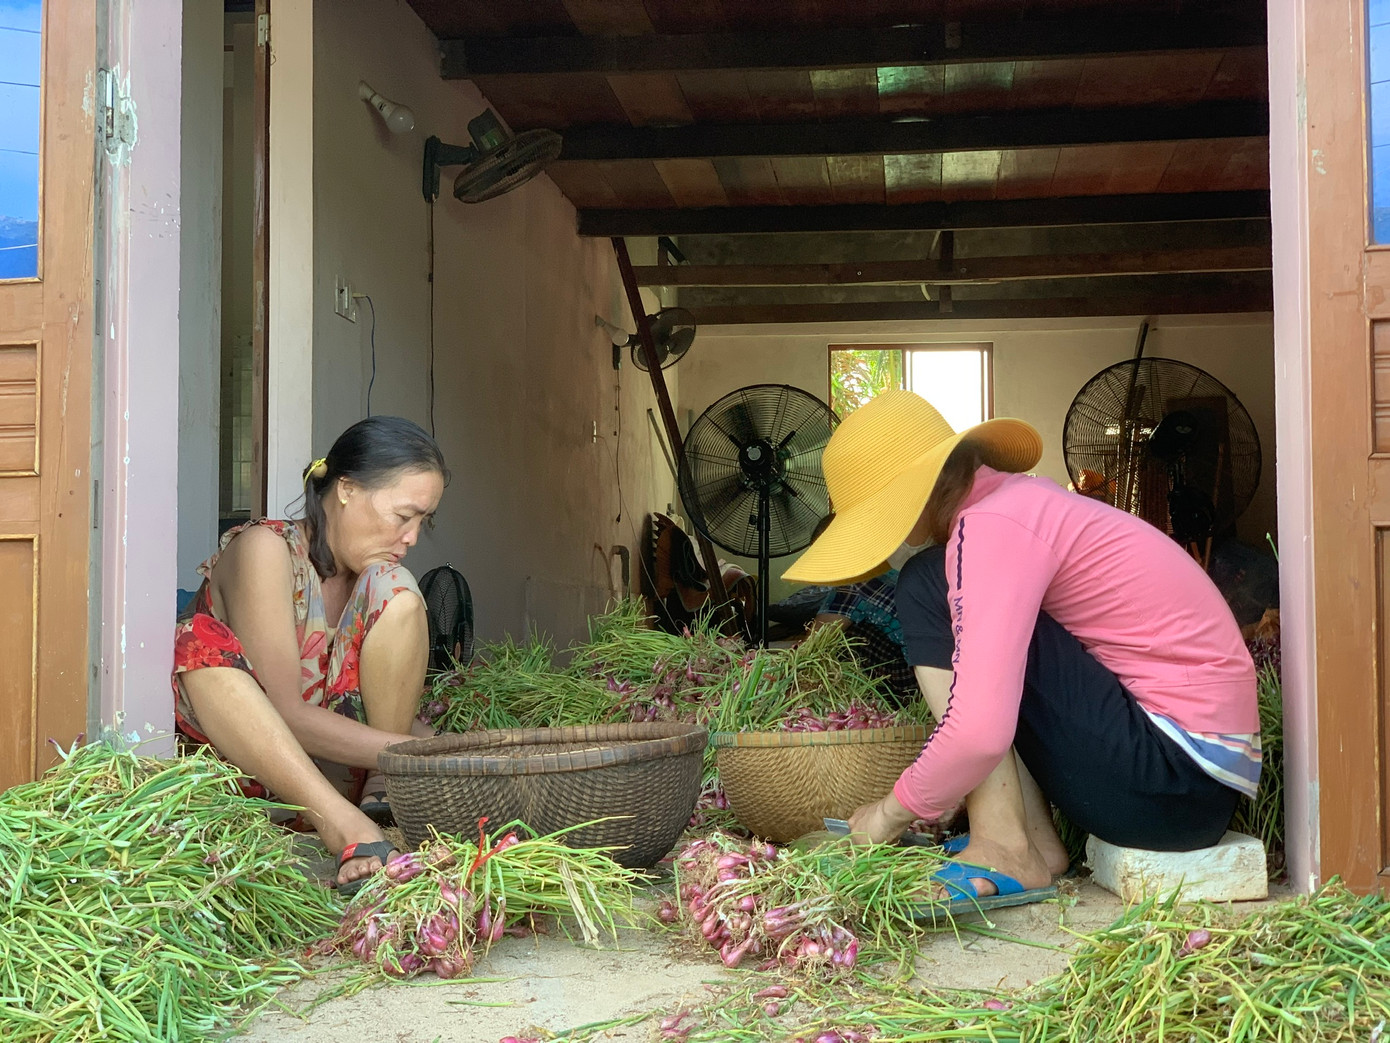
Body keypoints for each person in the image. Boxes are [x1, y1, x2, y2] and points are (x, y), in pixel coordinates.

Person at [783, 391, 1259, 909]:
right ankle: (1030, 841)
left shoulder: (991, 525)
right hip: (1189, 788)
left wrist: (886, 814)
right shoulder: (1023, 505)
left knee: (924, 582)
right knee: (956, 605)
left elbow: (979, 731)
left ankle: (1004, 845)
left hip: (1172, 780)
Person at [171, 415, 447, 894]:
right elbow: (287, 714)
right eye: (404, 517)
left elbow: (370, 717)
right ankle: (347, 825)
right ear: (345, 489)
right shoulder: (267, 549)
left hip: (346, 772)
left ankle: (382, 795)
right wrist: (417, 757)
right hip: (248, 777)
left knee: (400, 591)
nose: (412, 538)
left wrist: (468, 754)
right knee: (195, 641)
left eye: (424, 521)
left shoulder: (372, 582)